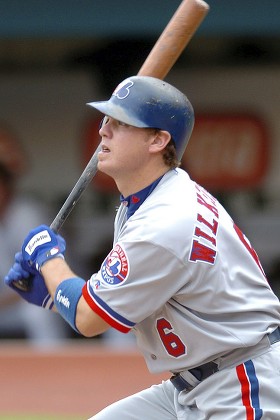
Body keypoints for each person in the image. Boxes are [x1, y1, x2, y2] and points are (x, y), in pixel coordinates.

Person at [4, 76, 280, 418]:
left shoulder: (164, 220)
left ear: (158, 140)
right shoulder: (146, 201)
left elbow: (89, 318)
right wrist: (54, 295)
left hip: (240, 382)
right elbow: (127, 298)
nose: (104, 131)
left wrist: (47, 258)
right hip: (195, 382)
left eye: (120, 123)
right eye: (107, 120)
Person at [0, 124, 69, 346]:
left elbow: (38, 279)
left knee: (37, 312)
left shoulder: (25, 214)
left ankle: (55, 368)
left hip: (41, 299)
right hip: (7, 305)